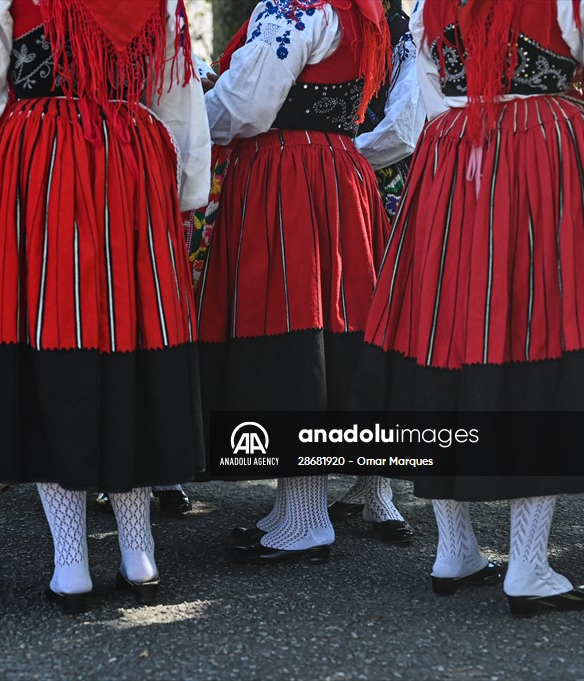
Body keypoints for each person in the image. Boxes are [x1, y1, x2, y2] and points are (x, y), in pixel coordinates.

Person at [353, 0, 584, 614]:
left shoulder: (435, 3)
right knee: (540, 345)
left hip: (452, 164)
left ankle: (453, 549)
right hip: (548, 166)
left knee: (442, 340)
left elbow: (425, 96)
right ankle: (528, 565)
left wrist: (467, 135)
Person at [0, 0, 209, 613]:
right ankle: (139, 554)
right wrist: (187, 189)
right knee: (130, 345)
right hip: (132, 167)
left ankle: (71, 563)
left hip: (37, 168)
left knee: (49, 346)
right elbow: (177, 95)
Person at [197, 0, 392, 563]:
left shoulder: (295, 8)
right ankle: (293, 508)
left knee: (290, 328)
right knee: (321, 327)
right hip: (332, 168)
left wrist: (184, 116)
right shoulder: (360, 11)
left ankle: (307, 518)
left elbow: (249, 106)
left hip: (287, 173)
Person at [327, 0, 425, 545]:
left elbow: (405, 127)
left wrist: (340, 157)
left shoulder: (402, 32)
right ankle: (344, 482)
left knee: (378, 334)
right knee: (344, 331)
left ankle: (379, 486)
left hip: (380, 190)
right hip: (348, 186)